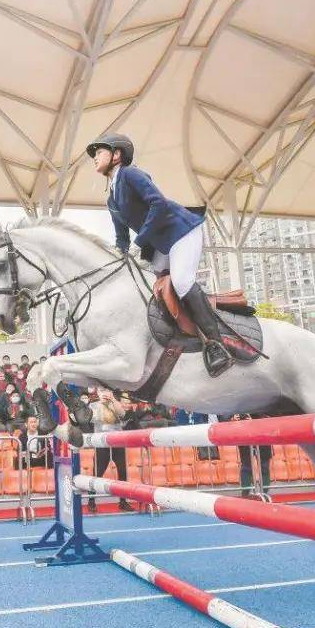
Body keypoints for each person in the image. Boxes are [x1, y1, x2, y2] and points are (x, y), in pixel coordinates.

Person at [86, 132, 230, 376]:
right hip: (161, 244)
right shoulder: (111, 197)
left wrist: (140, 241)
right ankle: (181, 339)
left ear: (117, 155)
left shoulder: (131, 174)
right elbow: (122, 237)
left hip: (182, 232)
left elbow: (158, 204)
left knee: (182, 283)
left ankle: (217, 345)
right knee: (157, 291)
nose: (95, 158)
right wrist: (117, 259)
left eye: (99, 152)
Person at [83, 387, 133, 513]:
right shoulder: (94, 405)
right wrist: (101, 403)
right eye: (102, 391)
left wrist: (113, 402)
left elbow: (123, 415)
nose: (105, 393)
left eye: (107, 391)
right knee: (97, 473)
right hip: (102, 442)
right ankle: (91, 501)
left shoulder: (116, 403)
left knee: (123, 471)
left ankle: (123, 501)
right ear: (99, 393)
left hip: (118, 441)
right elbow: (93, 419)